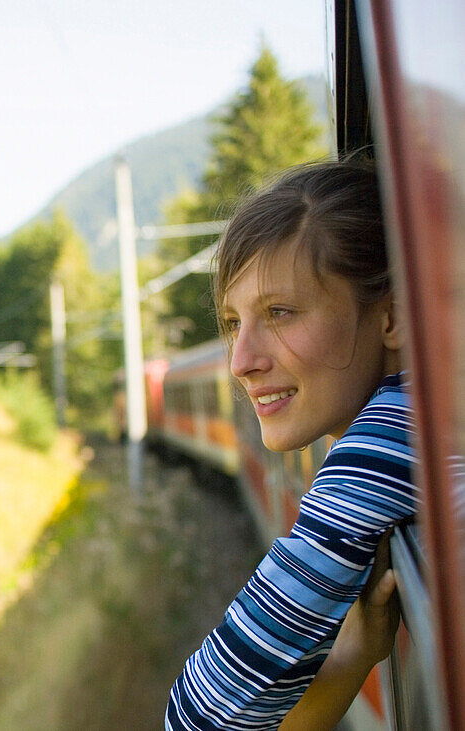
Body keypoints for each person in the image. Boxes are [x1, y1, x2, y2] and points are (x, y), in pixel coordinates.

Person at [165, 159, 417, 730]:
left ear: (393, 317)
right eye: (233, 323)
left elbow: (200, 719)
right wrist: (355, 653)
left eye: (279, 313)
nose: (240, 362)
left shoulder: (397, 432)